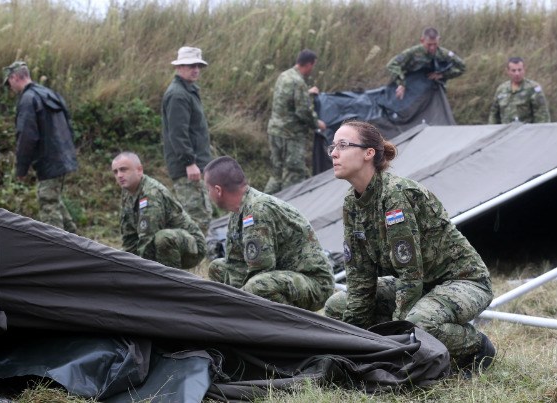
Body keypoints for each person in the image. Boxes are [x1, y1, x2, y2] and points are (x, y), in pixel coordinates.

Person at [323, 120, 495, 373]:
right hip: (421, 285)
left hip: (462, 281)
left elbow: (410, 273)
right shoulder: (352, 203)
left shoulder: (396, 194)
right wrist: (353, 338)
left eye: (343, 145)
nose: (334, 153)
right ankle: (384, 350)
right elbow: (360, 277)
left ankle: (477, 346)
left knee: (417, 324)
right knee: (338, 306)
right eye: (333, 146)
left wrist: (398, 335)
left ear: (368, 153)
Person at [205, 156, 334, 311]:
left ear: (218, 190)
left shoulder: (258, 210)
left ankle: (289, 329)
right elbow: (235, 265)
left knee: (257, 287)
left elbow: (261, 269)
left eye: (208, 189)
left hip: (314, 284)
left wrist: (236, 305)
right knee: (217, 268)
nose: (208, 194)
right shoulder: (238, 212)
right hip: (280, 278)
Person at [3, 61, 78, 232]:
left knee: (48, 204)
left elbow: (26, 137)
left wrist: (21, 169)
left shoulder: (28, 99)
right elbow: (69, 125)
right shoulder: (49, 93)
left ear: (14, 78)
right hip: (64, 156)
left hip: (49, 160)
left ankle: (59, 251)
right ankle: (77, 240)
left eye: (9, 83)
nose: (10, 88)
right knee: (54, 200)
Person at [112, 151, 206, 269]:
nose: (119, 175)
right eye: (115, 172)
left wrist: (142, 272)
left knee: (163, 238)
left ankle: (172, 282)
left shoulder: (151, 193)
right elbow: (129, 239)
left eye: (123, 169)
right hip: (160, 245)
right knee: (117, 256)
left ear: (139, 170)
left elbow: (148, 238)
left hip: (191, 246)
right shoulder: (127, 193)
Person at [161, 46, 213, 235]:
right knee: (196, 217)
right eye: (191, 65)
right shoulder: (178, 95)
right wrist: (189, 162)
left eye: (198, 65)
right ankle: (193, 261)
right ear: (179, 67)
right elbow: (177, 134)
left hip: (197, 163)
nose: (196, 69)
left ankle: (196, 258)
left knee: (202, 214)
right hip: (188, 167)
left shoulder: (188, 90)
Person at [264, 49, 326, 194]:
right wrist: (317, 123)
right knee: (293, 174)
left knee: (277, 174)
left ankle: (259, 207)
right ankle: (289, 208)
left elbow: (286, 99)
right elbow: (302, 111)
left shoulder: (284, 76)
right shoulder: (298, 82)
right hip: (290, 135)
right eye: (313, 66)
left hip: (275, 131)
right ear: (309, 64)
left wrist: (307, 93)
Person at [387, 27, 466, 100]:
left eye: (435, 44)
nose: (432, 48)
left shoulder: (443, 53)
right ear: (422, 41)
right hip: (410, 84)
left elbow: (462, 67)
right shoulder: (413, 52)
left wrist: (442, 75)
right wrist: (401, 84)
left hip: (433, 88)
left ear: (438, 40)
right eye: (429, 44)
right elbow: (392, 64)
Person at [488, 57, 550, 124]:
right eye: (513, 70)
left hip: (526, 131)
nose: (517, 73)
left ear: (524, 70)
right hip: (506, 131)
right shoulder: (501, 89)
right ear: (508, 71)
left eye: (519, 70)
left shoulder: (533, 88)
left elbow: (542, 114)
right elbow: (494, 114)